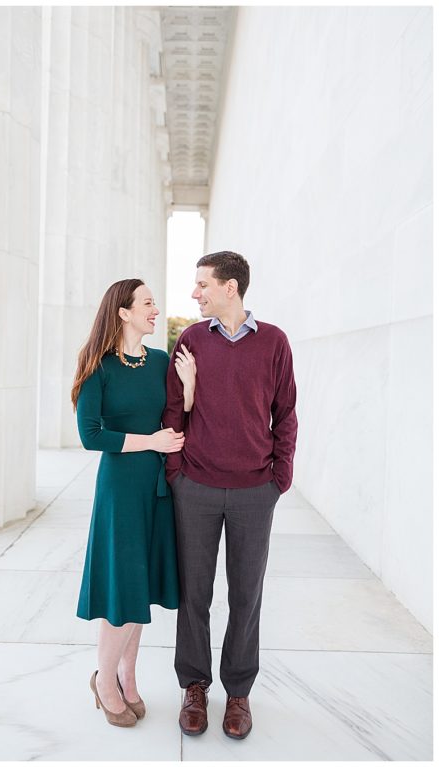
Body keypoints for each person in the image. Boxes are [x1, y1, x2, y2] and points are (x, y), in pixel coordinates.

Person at [163, 251, 297, 740]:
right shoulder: (193, 339)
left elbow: (286, 415)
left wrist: (278, 479)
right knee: (194, 595)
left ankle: (238, 691)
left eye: (202, 285)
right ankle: (194, 686)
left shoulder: (275, 342)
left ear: (230, 288)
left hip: (253, 492)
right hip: (194, 486)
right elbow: (174, 411)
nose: (195, 293)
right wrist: (176, 472)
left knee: (246, 595)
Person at [72, 278, 191, 728]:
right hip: (120, 486)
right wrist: (150, 441)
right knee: (123, 585)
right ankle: (103, 682)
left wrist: (191, 386)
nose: (155, 309)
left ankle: (128, 676)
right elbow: (90, 435)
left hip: (157, 486)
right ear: (123, 312)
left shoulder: (160, 360)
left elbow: (178, 417)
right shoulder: (97, 365)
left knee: (140, 584)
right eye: (147, 303)